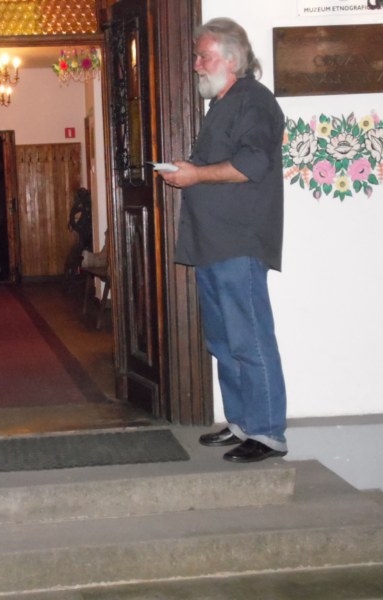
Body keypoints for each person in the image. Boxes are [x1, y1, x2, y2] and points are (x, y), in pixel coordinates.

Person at [159, 18, 288, 463]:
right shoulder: (224, 104)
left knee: (249, 339)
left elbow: (252, 164)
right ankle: (242, 424)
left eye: (203, 56)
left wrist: (195, 175)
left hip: (238, 243)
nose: (196, 65)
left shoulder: (254, 100)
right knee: (223, 341)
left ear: (232, 60)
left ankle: (268, 433)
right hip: (213, 244)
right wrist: (189, 171)